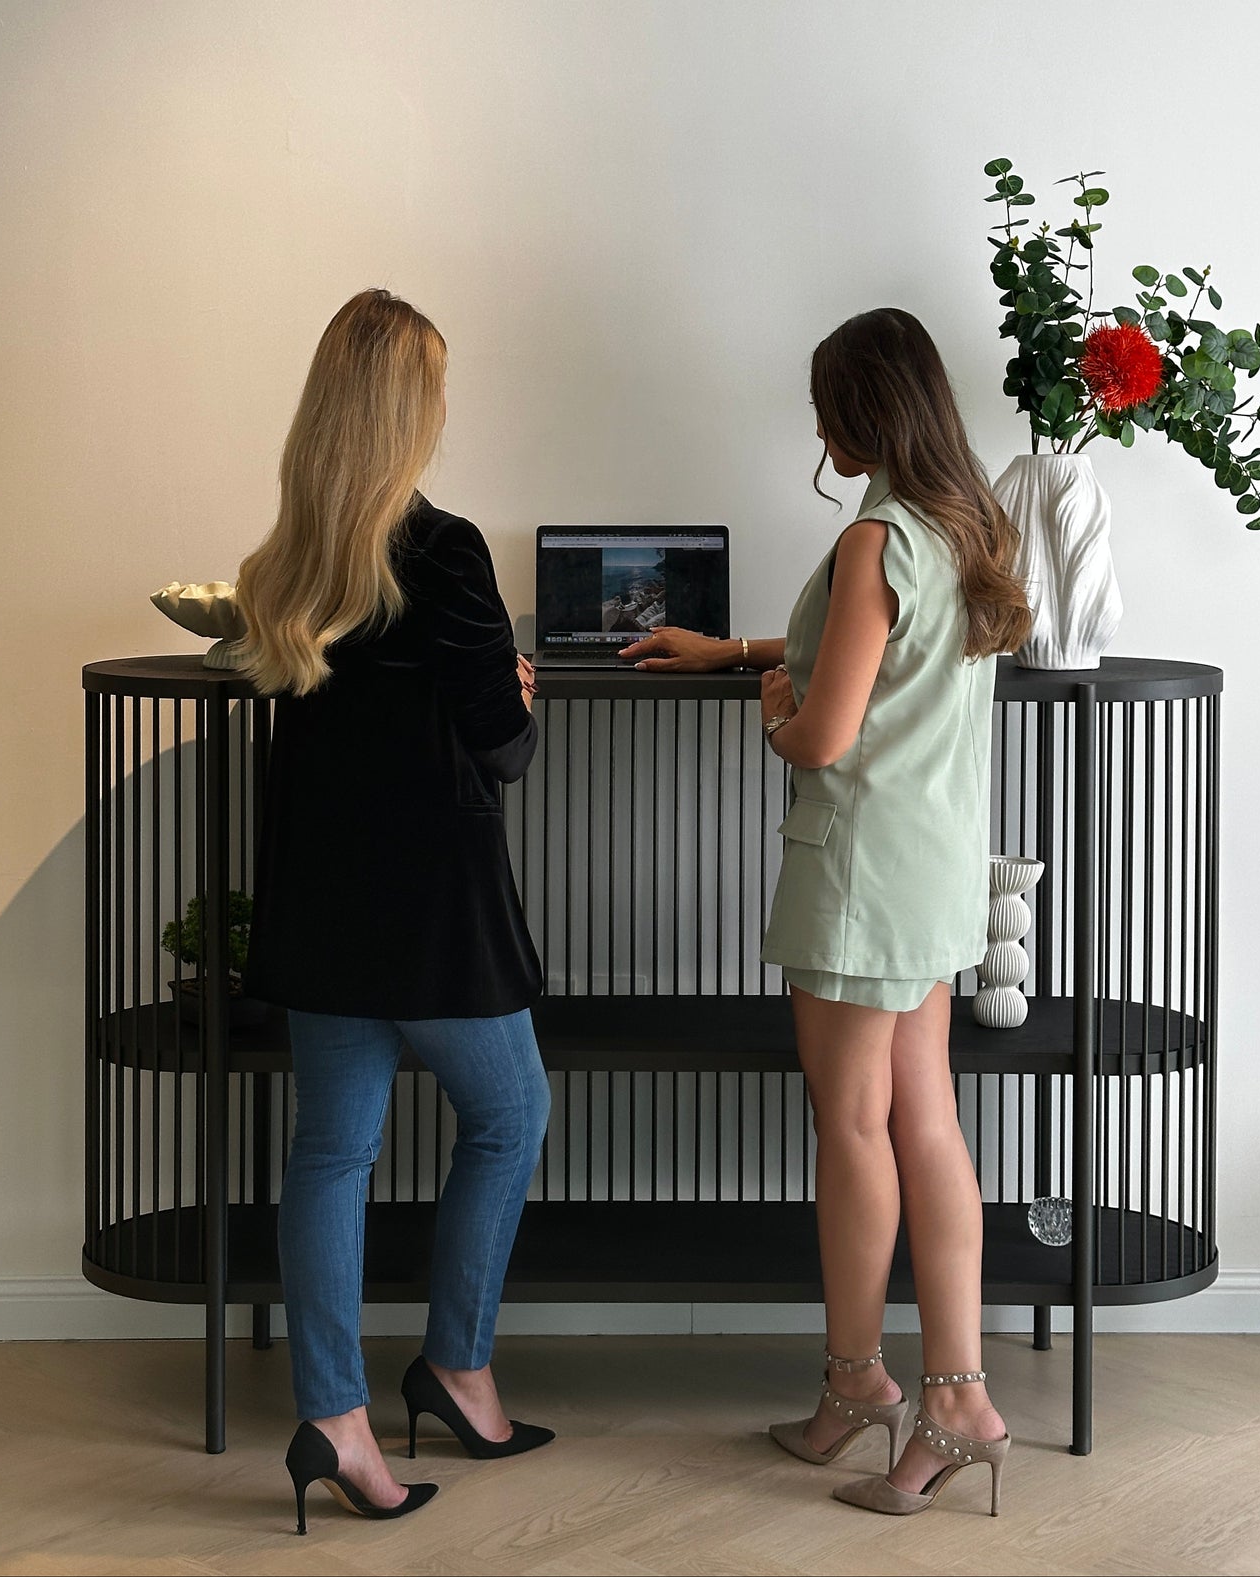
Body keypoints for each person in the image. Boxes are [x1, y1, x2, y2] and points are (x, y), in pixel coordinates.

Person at [620, 307, 1031, 1517]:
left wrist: (773, 711)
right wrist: (741, 647)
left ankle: (868, 1383)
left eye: (825, 411)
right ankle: (953, 1396)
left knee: (851, 1126)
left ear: (864, 413)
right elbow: (880, 653)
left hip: (856, 875)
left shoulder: (872, 539)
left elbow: (824, 733)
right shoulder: (965, 528)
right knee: (927, 1122)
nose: (816, 434)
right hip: (935, 872)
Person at [235, 289, 555, 1536]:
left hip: (322, 902)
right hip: (430, 908)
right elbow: (503, 746)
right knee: (512, 1112)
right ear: (409, 410)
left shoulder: (285, 564)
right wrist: (516, 689)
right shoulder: (446, 550)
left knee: (330, 1150)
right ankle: (456, 1367)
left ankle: (336, 1417)